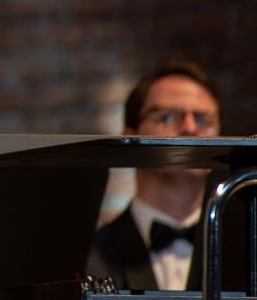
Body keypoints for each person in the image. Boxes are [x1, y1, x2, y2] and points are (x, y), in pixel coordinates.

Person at [86, 60, 221, 290]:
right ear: (129, 138)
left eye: (202, 119)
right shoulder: (90, 254)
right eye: (167, 117)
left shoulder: (250, 249)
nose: (190, 128)